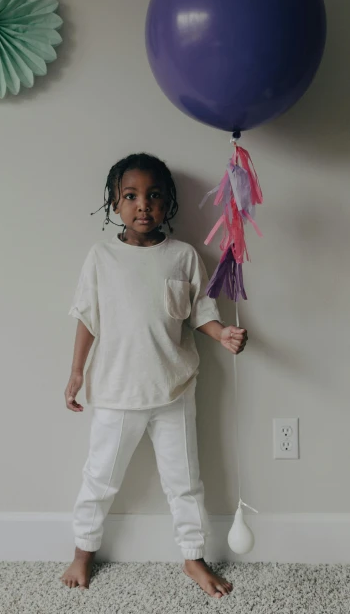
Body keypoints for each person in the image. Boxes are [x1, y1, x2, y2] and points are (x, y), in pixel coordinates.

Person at [60, 153, 247, 599]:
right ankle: (83, 551)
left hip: (173, 390)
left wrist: (222, 334)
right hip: (116, 393)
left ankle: (193, 556)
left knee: (185, 482)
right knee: (99, 478)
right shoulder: (102, 257)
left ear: (168, 204)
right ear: (115, 203)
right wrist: (74, 373)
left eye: (154, 196)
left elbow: (201, 313)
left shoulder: (183, 257)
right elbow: (88, 317)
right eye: (131, 196)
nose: (143, 205)